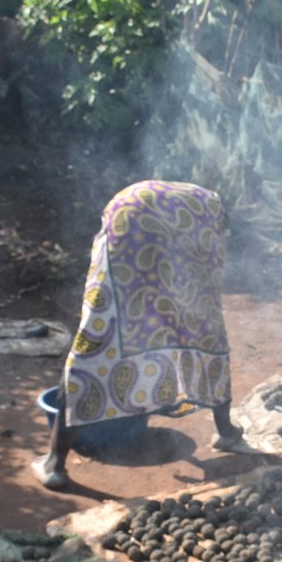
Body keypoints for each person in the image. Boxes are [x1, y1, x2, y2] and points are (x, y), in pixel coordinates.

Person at [37, 179, 243, 490]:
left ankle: (55, 464)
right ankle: (226, 432)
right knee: (204, 325)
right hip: (161, 226)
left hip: (128, 222)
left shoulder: (188, 200)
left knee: (97, 338)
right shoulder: (211, 207)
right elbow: (210, 270)